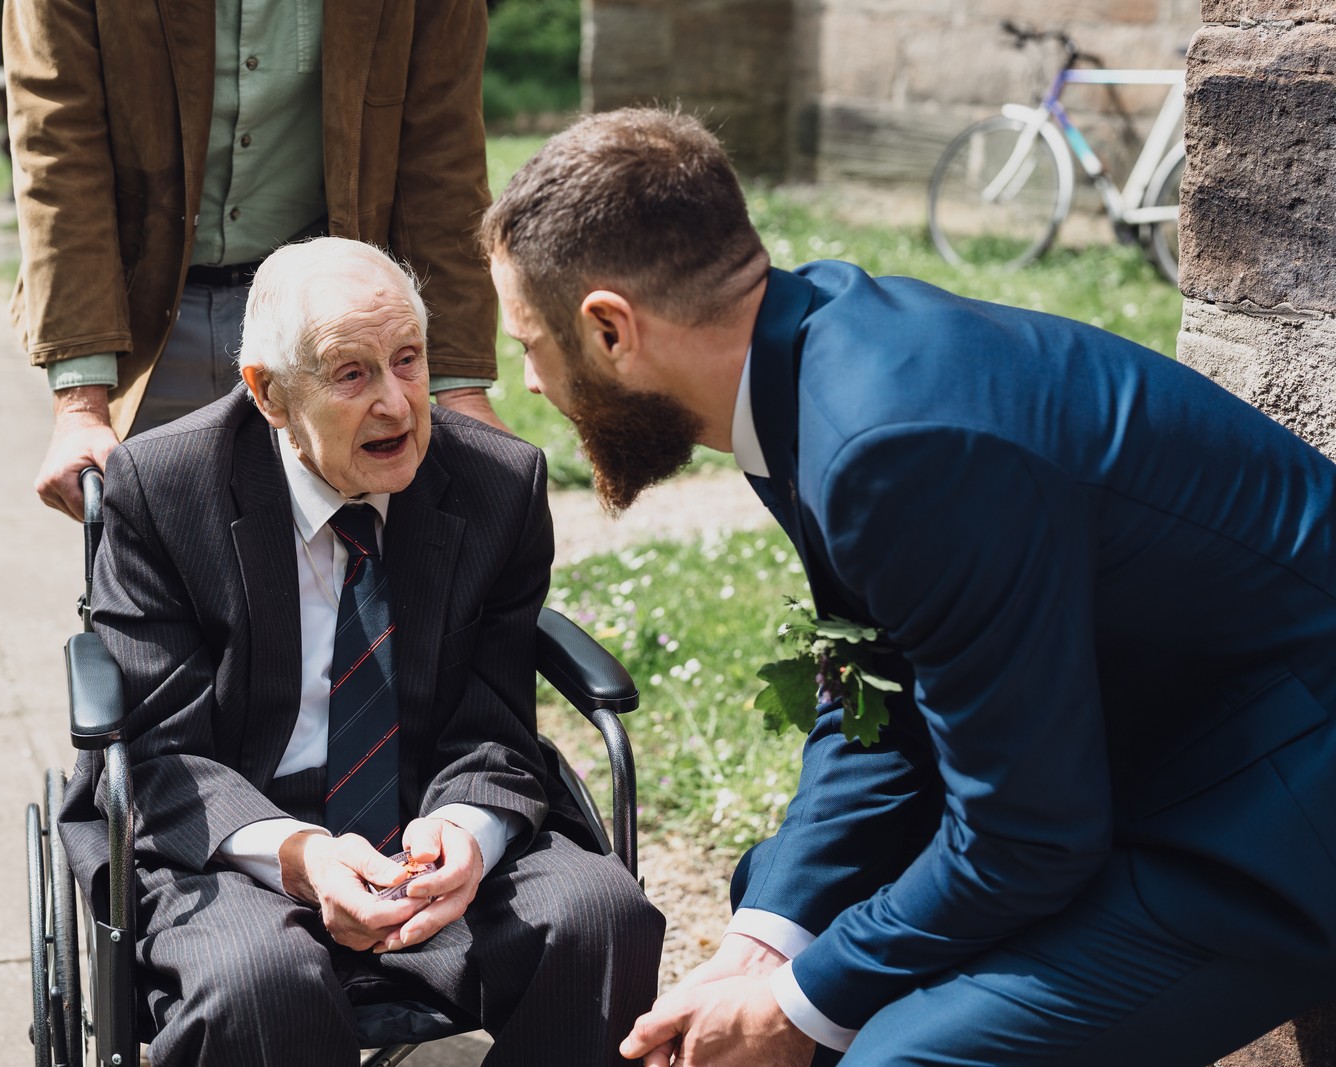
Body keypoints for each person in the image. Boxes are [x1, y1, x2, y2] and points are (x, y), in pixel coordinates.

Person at [480, 107, 1336, 1066]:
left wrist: (797, 1003)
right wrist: (769, 940)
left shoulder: (892, 447)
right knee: (784, 897)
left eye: (527, 342)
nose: (528, 381)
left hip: (1271, 806)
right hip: (1136, 746)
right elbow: (880, 694)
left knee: (897, 1056)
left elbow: (1031, 834)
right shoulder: (800, 368)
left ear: (609, 329)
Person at [56, 237, 662, 1065]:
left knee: (603, 916)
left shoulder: (496, 484)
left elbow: (493, 722)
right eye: (352, 373)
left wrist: (464, 833)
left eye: (408, 361)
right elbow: (162, 755)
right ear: (268, 395)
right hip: (235, 839)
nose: (397, 405)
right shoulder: (165, 491)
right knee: (255, 981)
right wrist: (302, 856)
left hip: (423, 809)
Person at [3, 0, 508, 520]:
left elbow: (443, 156)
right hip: (140, 324)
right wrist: (81, 407)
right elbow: (59, 153)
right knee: (148, 575)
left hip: (328, 330)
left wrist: (460, 392)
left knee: (346, 572)